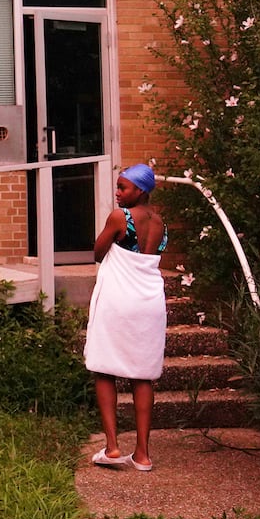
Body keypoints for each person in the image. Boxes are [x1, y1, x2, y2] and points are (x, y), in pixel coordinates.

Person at [84, 162, 168, 472]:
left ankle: (113, 447)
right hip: (149, 301)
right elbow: (150, 256)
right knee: (142, 374)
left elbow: (97, 252)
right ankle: (143, 455)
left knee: (105, 369)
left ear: (140, 191)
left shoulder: (120, 217)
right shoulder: (160, 223)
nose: (118, 193)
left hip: (119, 299)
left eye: (123, 188)